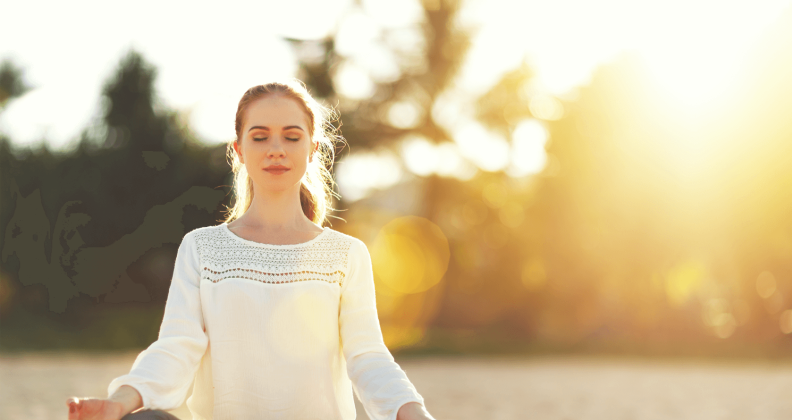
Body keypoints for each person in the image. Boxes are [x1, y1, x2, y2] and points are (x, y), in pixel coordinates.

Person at [66, 80, 436, 420]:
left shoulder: (346, 255)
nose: (276, 149)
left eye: (292, 137)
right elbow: (177, 347)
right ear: (239, 150)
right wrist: (119, 403)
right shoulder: (202, 248)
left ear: (313, 150)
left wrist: (415, 414)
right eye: (260, 137)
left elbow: (367, 356)